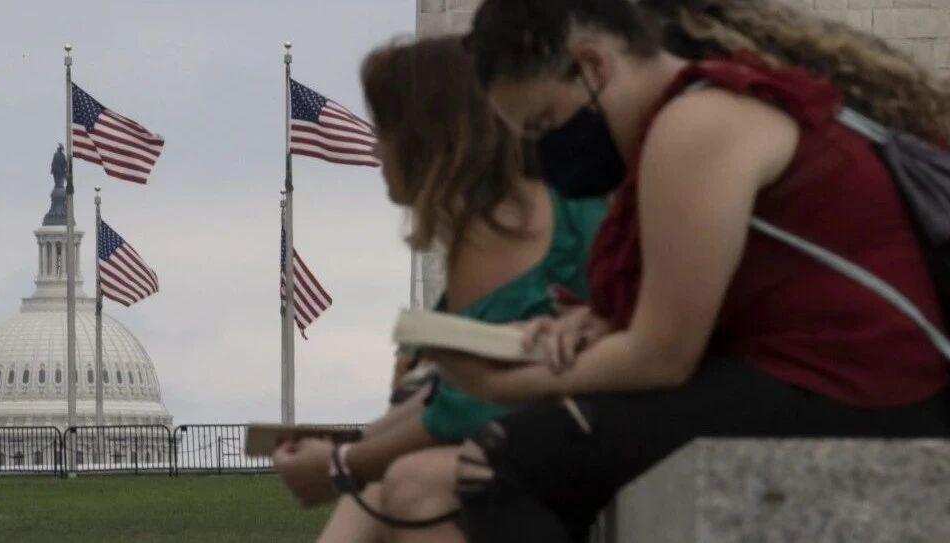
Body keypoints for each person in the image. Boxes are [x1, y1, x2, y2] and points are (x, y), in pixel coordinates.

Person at [375, 1, 947, 541]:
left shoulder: (693, 124)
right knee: (532, 451)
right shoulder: (701, 107)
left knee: (502, 465)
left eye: (544, 123)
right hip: (843, 377)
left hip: (868, 389)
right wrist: (600, 325)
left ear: (594, 65)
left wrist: (500, 383)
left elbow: (662, 355)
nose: (546, 152)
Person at [270, 37, 606, 542]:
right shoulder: (507, 215)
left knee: (409, 485)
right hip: (554, 439)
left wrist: (342, 464)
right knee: (387, 487)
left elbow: (467, 404)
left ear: (431, 138)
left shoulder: (502, 226)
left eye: (385, 131)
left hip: (598, 437)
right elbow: (450, 394)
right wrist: (356, 449)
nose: (374, 148)